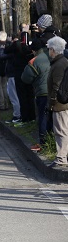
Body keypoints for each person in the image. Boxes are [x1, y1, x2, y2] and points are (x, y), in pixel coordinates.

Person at [21, 39, 51, 152]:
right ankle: (54, 142)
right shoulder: (54, 56)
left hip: (42, 93)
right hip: (58, 92)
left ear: (34, 50)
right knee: (54, 119)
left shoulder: (35, 60)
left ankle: (43, 143)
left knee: (43, 118)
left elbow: (25, 78)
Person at [46, 36, 68, 167]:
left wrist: (52, 102)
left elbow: (57, 85)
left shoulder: (59, 64)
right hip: (62, 103)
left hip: (60, 104)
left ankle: (61, 157)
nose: (49, 51)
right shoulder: (62, 62)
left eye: (49, 49)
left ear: (53, 50)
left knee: (61, 130)